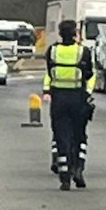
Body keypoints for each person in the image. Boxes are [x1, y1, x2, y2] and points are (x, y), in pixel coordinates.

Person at [43, 19, 95, 190]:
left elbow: (50, 71)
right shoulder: (83, 51)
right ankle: (78, 169)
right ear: (75, 34)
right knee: (80, 135)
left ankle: (64, 176)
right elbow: (89, 74)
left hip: (58, 98)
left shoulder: (52, 51)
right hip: (78, 97)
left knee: (61, 137)